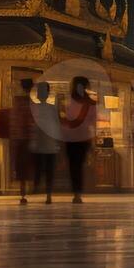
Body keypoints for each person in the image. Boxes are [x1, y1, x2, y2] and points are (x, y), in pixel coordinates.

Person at [60, 76, 97, 204]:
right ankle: (77, 192)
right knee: (78, 166)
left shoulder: (68, 101)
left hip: (71, 138)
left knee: (74, 166)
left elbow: (65, 120)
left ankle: (76, 192)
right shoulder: (90, 103)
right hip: (83, 138)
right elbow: (93, 122)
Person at [30, 81, 60, 204]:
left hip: (40, 144)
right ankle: (48, 193)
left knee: (40, 168)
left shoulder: (35, 108)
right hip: (49, 145)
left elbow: (33, 127)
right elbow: (57, 126)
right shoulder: (51, 109)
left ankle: (39, 187)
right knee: (49, 170)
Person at [10, 79, 36, 204]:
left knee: (20, 167)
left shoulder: (17, 102)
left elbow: (14, 121)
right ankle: (24, 192)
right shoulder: (31, 103)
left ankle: (22, 192)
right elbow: (33, 122)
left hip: (19, 139)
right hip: (27, 139)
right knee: (26, 167)